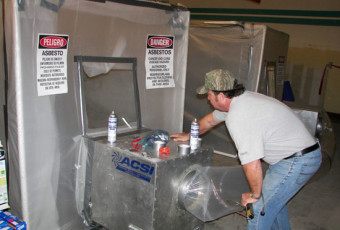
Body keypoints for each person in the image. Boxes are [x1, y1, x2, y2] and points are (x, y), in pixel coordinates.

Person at [170, 69, 322, 230]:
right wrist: (189, 135)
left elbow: (252, 162)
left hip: (297, 161)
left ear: (220, 96)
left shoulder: (239, 116)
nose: (207, 97)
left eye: (209, 94)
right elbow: (210, 121)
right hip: (299, 155)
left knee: (257, 207)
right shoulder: (240, 99)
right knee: (272, 203)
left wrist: (254, 195)